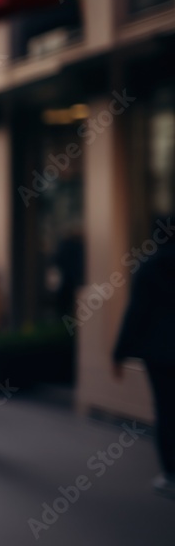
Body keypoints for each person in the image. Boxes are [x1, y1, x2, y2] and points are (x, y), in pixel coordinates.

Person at [113, 214, 175, 499]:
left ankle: (171, 474)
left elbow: (136, 314)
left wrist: (120, 352)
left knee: (165, 409)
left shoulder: (149, 268)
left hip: (160, 353)